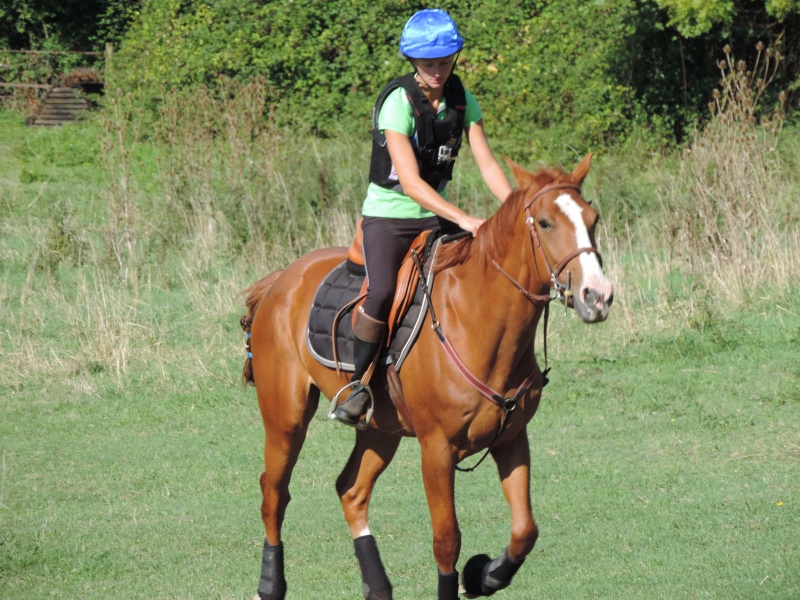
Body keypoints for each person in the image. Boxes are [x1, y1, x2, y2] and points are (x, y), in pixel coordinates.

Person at [332, 8, 513, 426]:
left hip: (435, 217)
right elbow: (411, 185)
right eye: (428, 62)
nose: (437, 70)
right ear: (413, 61)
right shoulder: (397, 103)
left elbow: (487, 165)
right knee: (380, 294)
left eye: (445, 61)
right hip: (389, 217)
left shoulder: (463, 100)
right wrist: (469, 220)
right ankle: (358, 385)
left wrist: (514, 208)